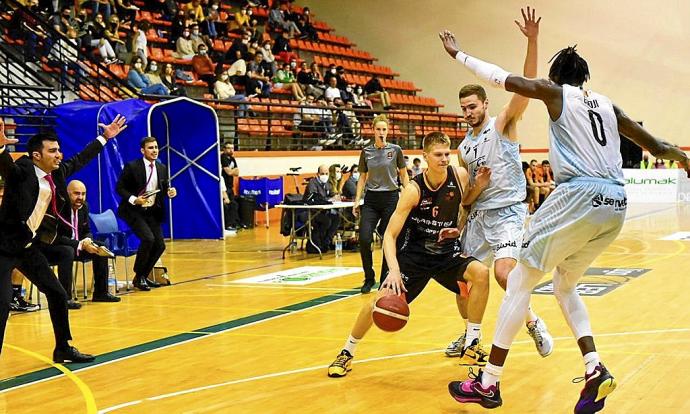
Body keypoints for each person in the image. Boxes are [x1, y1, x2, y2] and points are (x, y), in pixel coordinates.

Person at [439, 21, 690, 413]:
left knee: (519, 281)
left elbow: (499, 77)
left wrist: (459, 55)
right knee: (564, 285)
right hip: (616, 203)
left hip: (578, 194)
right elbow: (655, 144)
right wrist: (684, 159)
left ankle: (488, 383)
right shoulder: (608, 104)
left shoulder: (555, 93)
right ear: (586, 77)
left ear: (556, 78)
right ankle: (593, 367)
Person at [327, 132, 491, 377]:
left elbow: (464, 204)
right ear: (425, 157)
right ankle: (346, 353)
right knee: (377, 303)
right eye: (438, 155)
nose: (444, 159)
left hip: (446, 254)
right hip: (414, 258)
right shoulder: (413, 190)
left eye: (447, 154)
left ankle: (472, 343)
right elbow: (390, 236)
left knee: (481, 274)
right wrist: (393, 270)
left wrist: (461, 222)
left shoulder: (460, 176)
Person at [446, 9, 552, 361]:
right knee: (463, 282)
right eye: (463, 108)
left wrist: (532, 41)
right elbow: (467, 198)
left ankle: (533, 322)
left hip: (508, 212)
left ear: (485, 104)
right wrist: (457, 223)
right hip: (478, 217)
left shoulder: (503, 124)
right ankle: (468, 334)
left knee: (505, 274)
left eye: (472, 106)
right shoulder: (463, 147)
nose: (468, 112)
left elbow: (526, 86)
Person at [0, 115, 127, 362]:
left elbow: (80, 159)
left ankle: (63, 348)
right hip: (3, 248)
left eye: (59, 150)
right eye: (53, 151)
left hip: (28, 247)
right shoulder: (23, 171)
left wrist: (105, 137)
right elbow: (6, 167)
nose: (59, 155)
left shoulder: (56, 176)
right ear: (37, 155)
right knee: (2, 306)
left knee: (57, 293)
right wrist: (1, 148)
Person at [353, 114, 409, 293]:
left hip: (391, 198)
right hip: (371, 199)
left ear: (388, 130)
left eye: (384, 129)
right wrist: (356, 200)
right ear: (373, 130)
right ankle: (369, 277)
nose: (381, 132)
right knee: (364, 238)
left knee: (388, 238)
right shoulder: (366, 152)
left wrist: (408, 194)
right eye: (378, 129)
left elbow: (403, 174)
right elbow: (362, 178)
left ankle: (386, 276)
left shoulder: (396, 150)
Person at [116, 137, 177, 292]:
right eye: (150, 148)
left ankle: (141, 276)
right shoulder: (132, 167)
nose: (154, 150)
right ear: (143, 150)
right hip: (133, 211)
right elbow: (120, 188)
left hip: (152, 212)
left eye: (156, 147)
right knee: (148, 239)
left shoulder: (162, 168)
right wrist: (134, 199)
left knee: (160, 245)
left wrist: (170, 191)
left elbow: (163, 188)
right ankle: (140, 274)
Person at [57, 180, 120, 303]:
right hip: (61, 246)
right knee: (67, 251)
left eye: (83, 194)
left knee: (100, 247)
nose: (80, 197)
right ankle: (66, 299)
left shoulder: (84, 207)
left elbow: (87, 230)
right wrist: (81, 244)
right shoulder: (59, 207)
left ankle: (101, 293)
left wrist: (87, 240)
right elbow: (57, 237)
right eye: (76, 193)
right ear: (67, 193)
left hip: (79, 246)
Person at [303, 165, 339, 253]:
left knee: (336, 219)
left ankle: (326, 242)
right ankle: (317, 244)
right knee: (326, 221)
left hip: (322, 211)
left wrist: (336, 196)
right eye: (322, 173)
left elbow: (332, 194)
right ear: (317, 174)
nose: (325, 175)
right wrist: (329, 199)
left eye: (326, 173)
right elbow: (315, 198)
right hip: (310, 212)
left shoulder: (327, 183)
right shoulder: (312, 183)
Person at [221, 142, 241, 231]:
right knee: (227, 205)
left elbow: (237, 172)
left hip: (230, 186)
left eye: (232, 148)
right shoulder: (223, 157)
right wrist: (232, 171)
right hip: (223, 187)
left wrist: (231, 171)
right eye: (229, 148)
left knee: (234, 204)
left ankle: (233, 223)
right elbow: (228, 172)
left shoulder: (232, 159)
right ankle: (227, 225)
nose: (231, 150)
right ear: (224, 149)